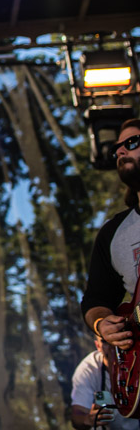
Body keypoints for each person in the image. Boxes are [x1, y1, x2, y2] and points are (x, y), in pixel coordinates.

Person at [83, 119, 140, 349]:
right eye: (118, 148)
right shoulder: (113, 233)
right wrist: (102, 324)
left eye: (132, 142)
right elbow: (96, 300)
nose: (120, 151)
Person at [71, 338, 140, 430]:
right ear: (97, 345)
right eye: (105, 341)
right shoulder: (88, 369)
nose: (114, 345)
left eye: (119, 338)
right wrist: (88, 419)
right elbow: (77, 415)